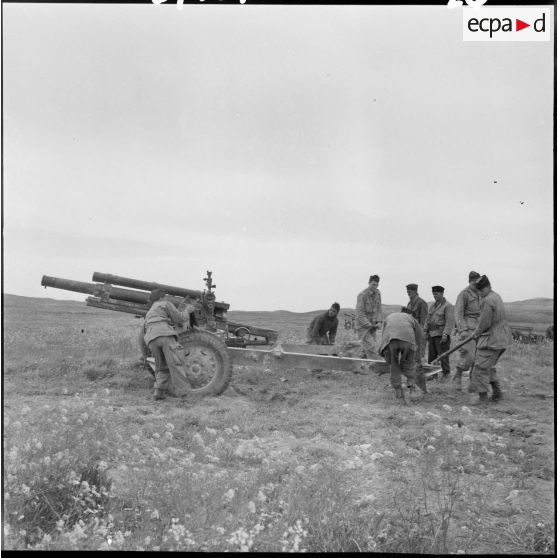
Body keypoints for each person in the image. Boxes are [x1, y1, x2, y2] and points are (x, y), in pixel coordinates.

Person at [143, 289, 196, 401]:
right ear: (162, 298)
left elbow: (145, 329)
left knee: (162, 366)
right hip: (164, 336)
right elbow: (179, 318)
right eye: (165, 297)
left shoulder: (150, 311)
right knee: (176, 364)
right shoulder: (165, 304)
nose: (166, 299)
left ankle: (158, 392)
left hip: (151, 339)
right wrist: (188, 310)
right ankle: (185, 396)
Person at [470, 275, 512, 405]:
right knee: (489, 365)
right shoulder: (496, 296)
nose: (480, 294)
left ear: (488, 287)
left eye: (482, 291)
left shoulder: (487, 300)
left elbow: (484, 323)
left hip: (491, 340)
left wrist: (476, 333)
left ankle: (483, 399)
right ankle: (497, 393)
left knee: (480, 368)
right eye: (479, 292)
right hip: (502, 339)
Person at [379, 307, 425, 401]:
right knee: (409, 364)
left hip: (391, 339)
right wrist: (419, 354)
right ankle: (411, 390)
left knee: (394, 365)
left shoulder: (390, 317)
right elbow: (421, 337)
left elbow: (384, 335)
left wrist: (384, 353)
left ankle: (398, 393)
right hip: (407, 340)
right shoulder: (412, 319)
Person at [453, 271, 482, 391]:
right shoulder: (464, 294)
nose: (476, 284)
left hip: (480, 328)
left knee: (479, 357)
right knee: (468, 356)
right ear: (470, 281)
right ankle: (457, 376)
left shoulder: (481, 294)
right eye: (474, 282)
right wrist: (462, 329)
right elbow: (458, 312)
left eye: (477, 282)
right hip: (468, 328)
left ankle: (473, 381)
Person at [424, 285, 455, 381]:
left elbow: (450, 321)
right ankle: (432, 374)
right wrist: (425, 330)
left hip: (441, 335)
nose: (435, 296)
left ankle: (446, 374)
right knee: (431, 356)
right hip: (432, 334)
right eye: (433, 294)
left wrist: (446, 334)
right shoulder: (432, 306)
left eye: (436, 294)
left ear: (442, 294)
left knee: (443, 356)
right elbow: (427, 319)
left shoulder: (448, 306)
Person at [355, 275, 383, 359]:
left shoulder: (378, 293)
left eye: (376, 285)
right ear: (369, 283)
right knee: (371, 347)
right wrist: (369, 325)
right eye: (373, 284)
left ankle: (359, 367)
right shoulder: (362, 295)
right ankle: (376, 368)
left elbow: (379, 309)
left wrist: (378, 322)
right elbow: (359, 313)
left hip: (373, 326)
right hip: (363, 327)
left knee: (366, 349)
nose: (375, 287)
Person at [406, 283, 428, 364]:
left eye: (410, 292)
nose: (408, 294)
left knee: (419, 352)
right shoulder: (409, 303)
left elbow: (424, 319)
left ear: (415, 291)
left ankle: (420, 369)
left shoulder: (422, 303)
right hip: (410, 331)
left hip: (418, 331)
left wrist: (422, 333)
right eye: (407, 292)